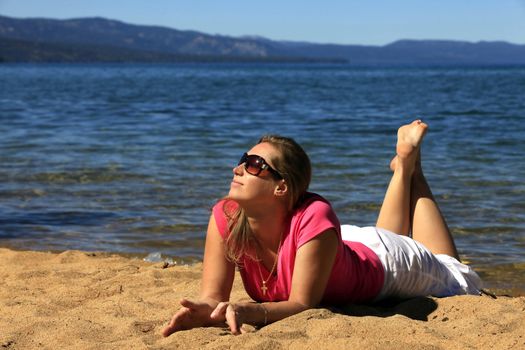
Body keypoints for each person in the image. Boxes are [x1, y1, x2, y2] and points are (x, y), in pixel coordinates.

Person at [162, 120, 482, 336]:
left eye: (254, 165)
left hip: (389, 263)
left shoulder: (316, 216)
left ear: (281, 188)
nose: (238, 169)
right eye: (243, 160)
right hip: (339, 247)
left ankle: (411, 168)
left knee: (458, 274)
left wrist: (251, 311)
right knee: (386, 236)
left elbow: (303, 305)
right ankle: (403, 166)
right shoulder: (227, 217)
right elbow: (212, 296)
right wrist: (203, 311)